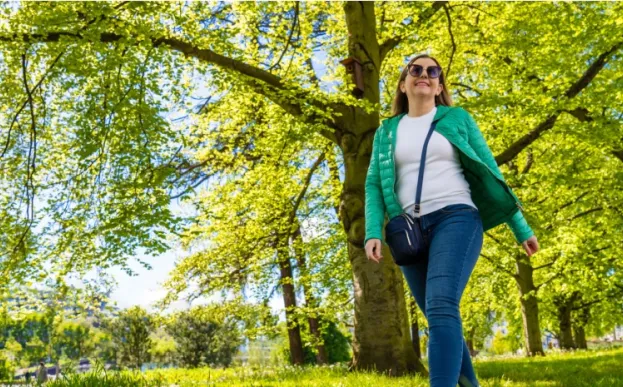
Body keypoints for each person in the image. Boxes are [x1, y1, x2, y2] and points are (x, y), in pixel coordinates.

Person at [364, 54, 539, 387]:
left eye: (433, 71)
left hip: (456, 217)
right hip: (409, 231)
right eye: (416, 70)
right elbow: (373, 183)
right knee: (439, 317)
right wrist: (373, 230)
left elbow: (491, 170)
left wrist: (521, 227)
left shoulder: (457, 118)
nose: (425, 75)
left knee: (442, 303)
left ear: (439, 85)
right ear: (403, 84)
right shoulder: (386, 131)